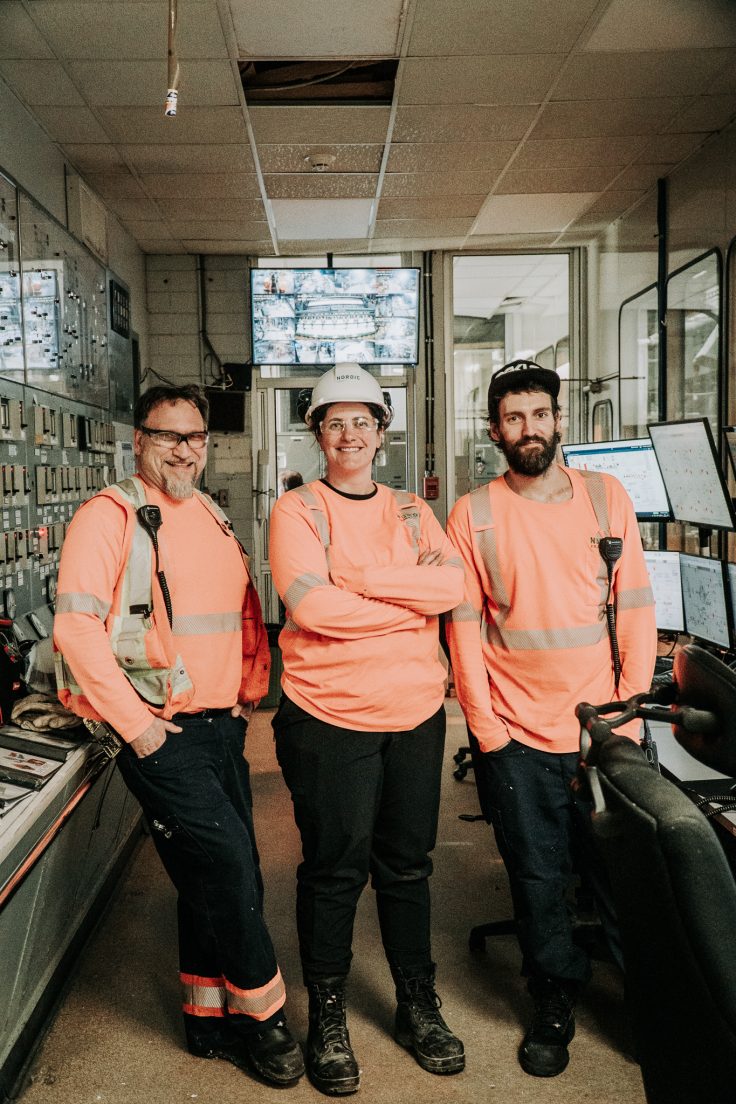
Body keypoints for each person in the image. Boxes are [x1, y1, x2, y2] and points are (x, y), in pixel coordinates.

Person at [53, 384, 304, 1089]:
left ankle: (206, 1020)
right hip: (160, 728)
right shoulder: (110, 518)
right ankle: (266, 1021)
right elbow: (76, 629)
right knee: (232, 868)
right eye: (169, 436)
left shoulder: (214, 515)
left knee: (207, 875)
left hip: (220, 725)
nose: (185, 450)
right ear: (139, 440)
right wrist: (141, 732)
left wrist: (246, 697)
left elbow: (237, 617)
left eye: (196, 437)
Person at [446, 360, 656, 1079]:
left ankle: (648, 1005)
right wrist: (487, 729)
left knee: (623, 873)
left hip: (604, 730)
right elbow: (464, 630)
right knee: (537, 878)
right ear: (495, 430)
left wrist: (625, 719)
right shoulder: (472, 512)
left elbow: (634, 606)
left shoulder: (606, 498)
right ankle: (554, 997)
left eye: (539, 414)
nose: (528, 429)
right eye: (513, 418)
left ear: (559, 420)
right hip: (516, 733)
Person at [269, 363, 466, 1095]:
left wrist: (361, 581)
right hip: (329, 718)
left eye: (362, 421)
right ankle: (326, 1012)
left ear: (382, 433)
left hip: (415, 714)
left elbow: (453, 586)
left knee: (408, 865)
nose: (348, 434)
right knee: (334, 867)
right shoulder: (299, 512)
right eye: (334, 422)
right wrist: (410, 603)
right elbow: (313, 609)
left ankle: (417, 1002)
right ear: (317, 433)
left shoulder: (413, 510)